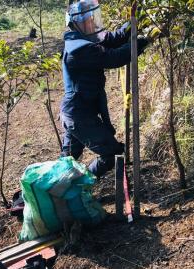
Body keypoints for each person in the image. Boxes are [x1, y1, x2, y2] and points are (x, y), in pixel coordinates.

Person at [60, 0, 150, 178]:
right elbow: (114, 57)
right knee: (112, 153)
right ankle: (81, 186)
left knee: (66, 161)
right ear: (77, 23)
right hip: (79, 115)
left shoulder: (81, 40)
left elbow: (110, 40)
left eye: (93, 18)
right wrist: (145, 41)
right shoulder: (79, 51)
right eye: (89, 20)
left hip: (76, 112)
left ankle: (57, 194)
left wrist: (130, 25)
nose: (93, 23)